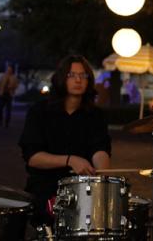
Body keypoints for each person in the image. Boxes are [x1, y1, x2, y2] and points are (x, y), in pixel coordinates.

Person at [19, 54, 111, 226]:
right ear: (62, 78)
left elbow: (100, 148)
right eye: (72, 75)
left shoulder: (96, 115)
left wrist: (101, 172)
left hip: (84, 190)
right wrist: (70, 160)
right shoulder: (39, 112)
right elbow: (33, 157)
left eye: (83, 75)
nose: (78, 80)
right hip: (46, 188)